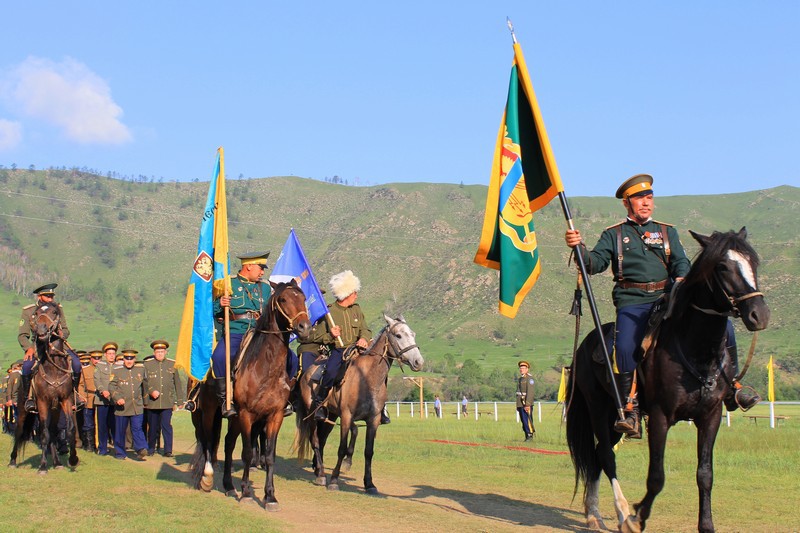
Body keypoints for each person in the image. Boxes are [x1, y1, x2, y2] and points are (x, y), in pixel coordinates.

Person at [565, 173, 759, 438]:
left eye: (649, 197)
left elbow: (681, 261)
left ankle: (731, 386)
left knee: (724, 325)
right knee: (624, 345)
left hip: (668, 298)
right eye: (638, 199)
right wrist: (580, 249)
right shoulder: (614, 235)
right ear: (627, 203)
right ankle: (630, 407)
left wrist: (681, 277)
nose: (645, 203)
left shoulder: (667, 232)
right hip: (633, 303)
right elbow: (594, 264)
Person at [307, 270, 373, 422]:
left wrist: (364, 338)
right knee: (330, 372)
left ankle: (379, 408)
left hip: (359, 350)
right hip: (339, 350)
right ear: (346, 293)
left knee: (377, 368)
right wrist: (330, 335)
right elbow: (316, 336)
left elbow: (365, 329)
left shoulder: (356, 309)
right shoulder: (329, 311)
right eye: (354, 292)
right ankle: (320, 404)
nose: (356, 295)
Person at [211, 251, 271, 418]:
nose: (262, 272)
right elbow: (210, 310)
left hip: (260, 333)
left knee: (289, 358)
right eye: (260, 268)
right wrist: (219, 304)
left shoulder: (265, 288)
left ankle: (286, 399)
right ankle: (225, 400)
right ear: (249, 266)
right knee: (219, 357)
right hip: (236, 331)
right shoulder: (227, 284)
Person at [17, 283, 83, 413]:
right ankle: (28, 398)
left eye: (51, 296)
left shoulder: (57, 309)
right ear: (39, 297)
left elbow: (65, 329)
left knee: (76, 363)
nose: (50, 299)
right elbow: (22, 335)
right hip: (38, 346)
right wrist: (28, 348)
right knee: (26, 367)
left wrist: (61, 334)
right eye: (47, 296)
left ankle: (74, 394)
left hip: (58, 346)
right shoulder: (28, 311)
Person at [143, 340, 185, 457]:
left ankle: (168, 450)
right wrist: (151, 391)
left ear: (166, 352)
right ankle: (151, 448)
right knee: (152, 427)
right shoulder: (147, 365)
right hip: (152, 403)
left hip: (167, 402)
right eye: (157, 351)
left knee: (166, 426)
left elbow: (177, 383)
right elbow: (144, 382)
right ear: (154, 352)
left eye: (162, 351)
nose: (160, 354)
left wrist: (180, 400)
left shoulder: (173, 364)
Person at [109, 349, 148, 460]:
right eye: (127, 358)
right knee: (120, 431)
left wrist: (145, 402)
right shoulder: (117, 371)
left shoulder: (140, 370)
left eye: (131, 359)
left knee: (137, 428)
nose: (129, 361)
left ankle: (141, 448)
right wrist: (117, 398)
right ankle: (120, 452)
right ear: (124, 359)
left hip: (137, 406)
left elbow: (145, 386)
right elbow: (111, 387)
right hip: (122, 407)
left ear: (135, 359)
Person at [93, 342, 119, 455]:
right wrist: (102, 390)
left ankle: (117, 448)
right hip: (102, 400)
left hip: (114, 401)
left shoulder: (119, 367)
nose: (111, 356)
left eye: (113, 353)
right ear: (105, 354)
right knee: (102, 426)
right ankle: (102, 448)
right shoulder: (99, 365)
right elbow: (96, 380)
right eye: (109, 354)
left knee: (115, 425)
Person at [78, 350, 101, 452]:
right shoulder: (86, 370)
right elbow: (80, 384)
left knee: (101, 424)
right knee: (88, 423)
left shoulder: (104, 369)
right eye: (95, 358)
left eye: (99, 358)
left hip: (102, 400)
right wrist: (82, 396)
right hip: (89, 399)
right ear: (91, 359)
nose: (97, 360)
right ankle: (89, 445)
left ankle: (100, 445)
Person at [516, 361, 536, 441]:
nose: (521, 369)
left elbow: (530, 392)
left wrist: (527, 404)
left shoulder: (529, 379)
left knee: (527, 420)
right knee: (523, 420)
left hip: (526, 403)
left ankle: (530, 434)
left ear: (527, 369)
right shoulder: (520, 379)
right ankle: (526, 435)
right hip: (520, 403)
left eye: (523, 368)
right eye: (520, 368)